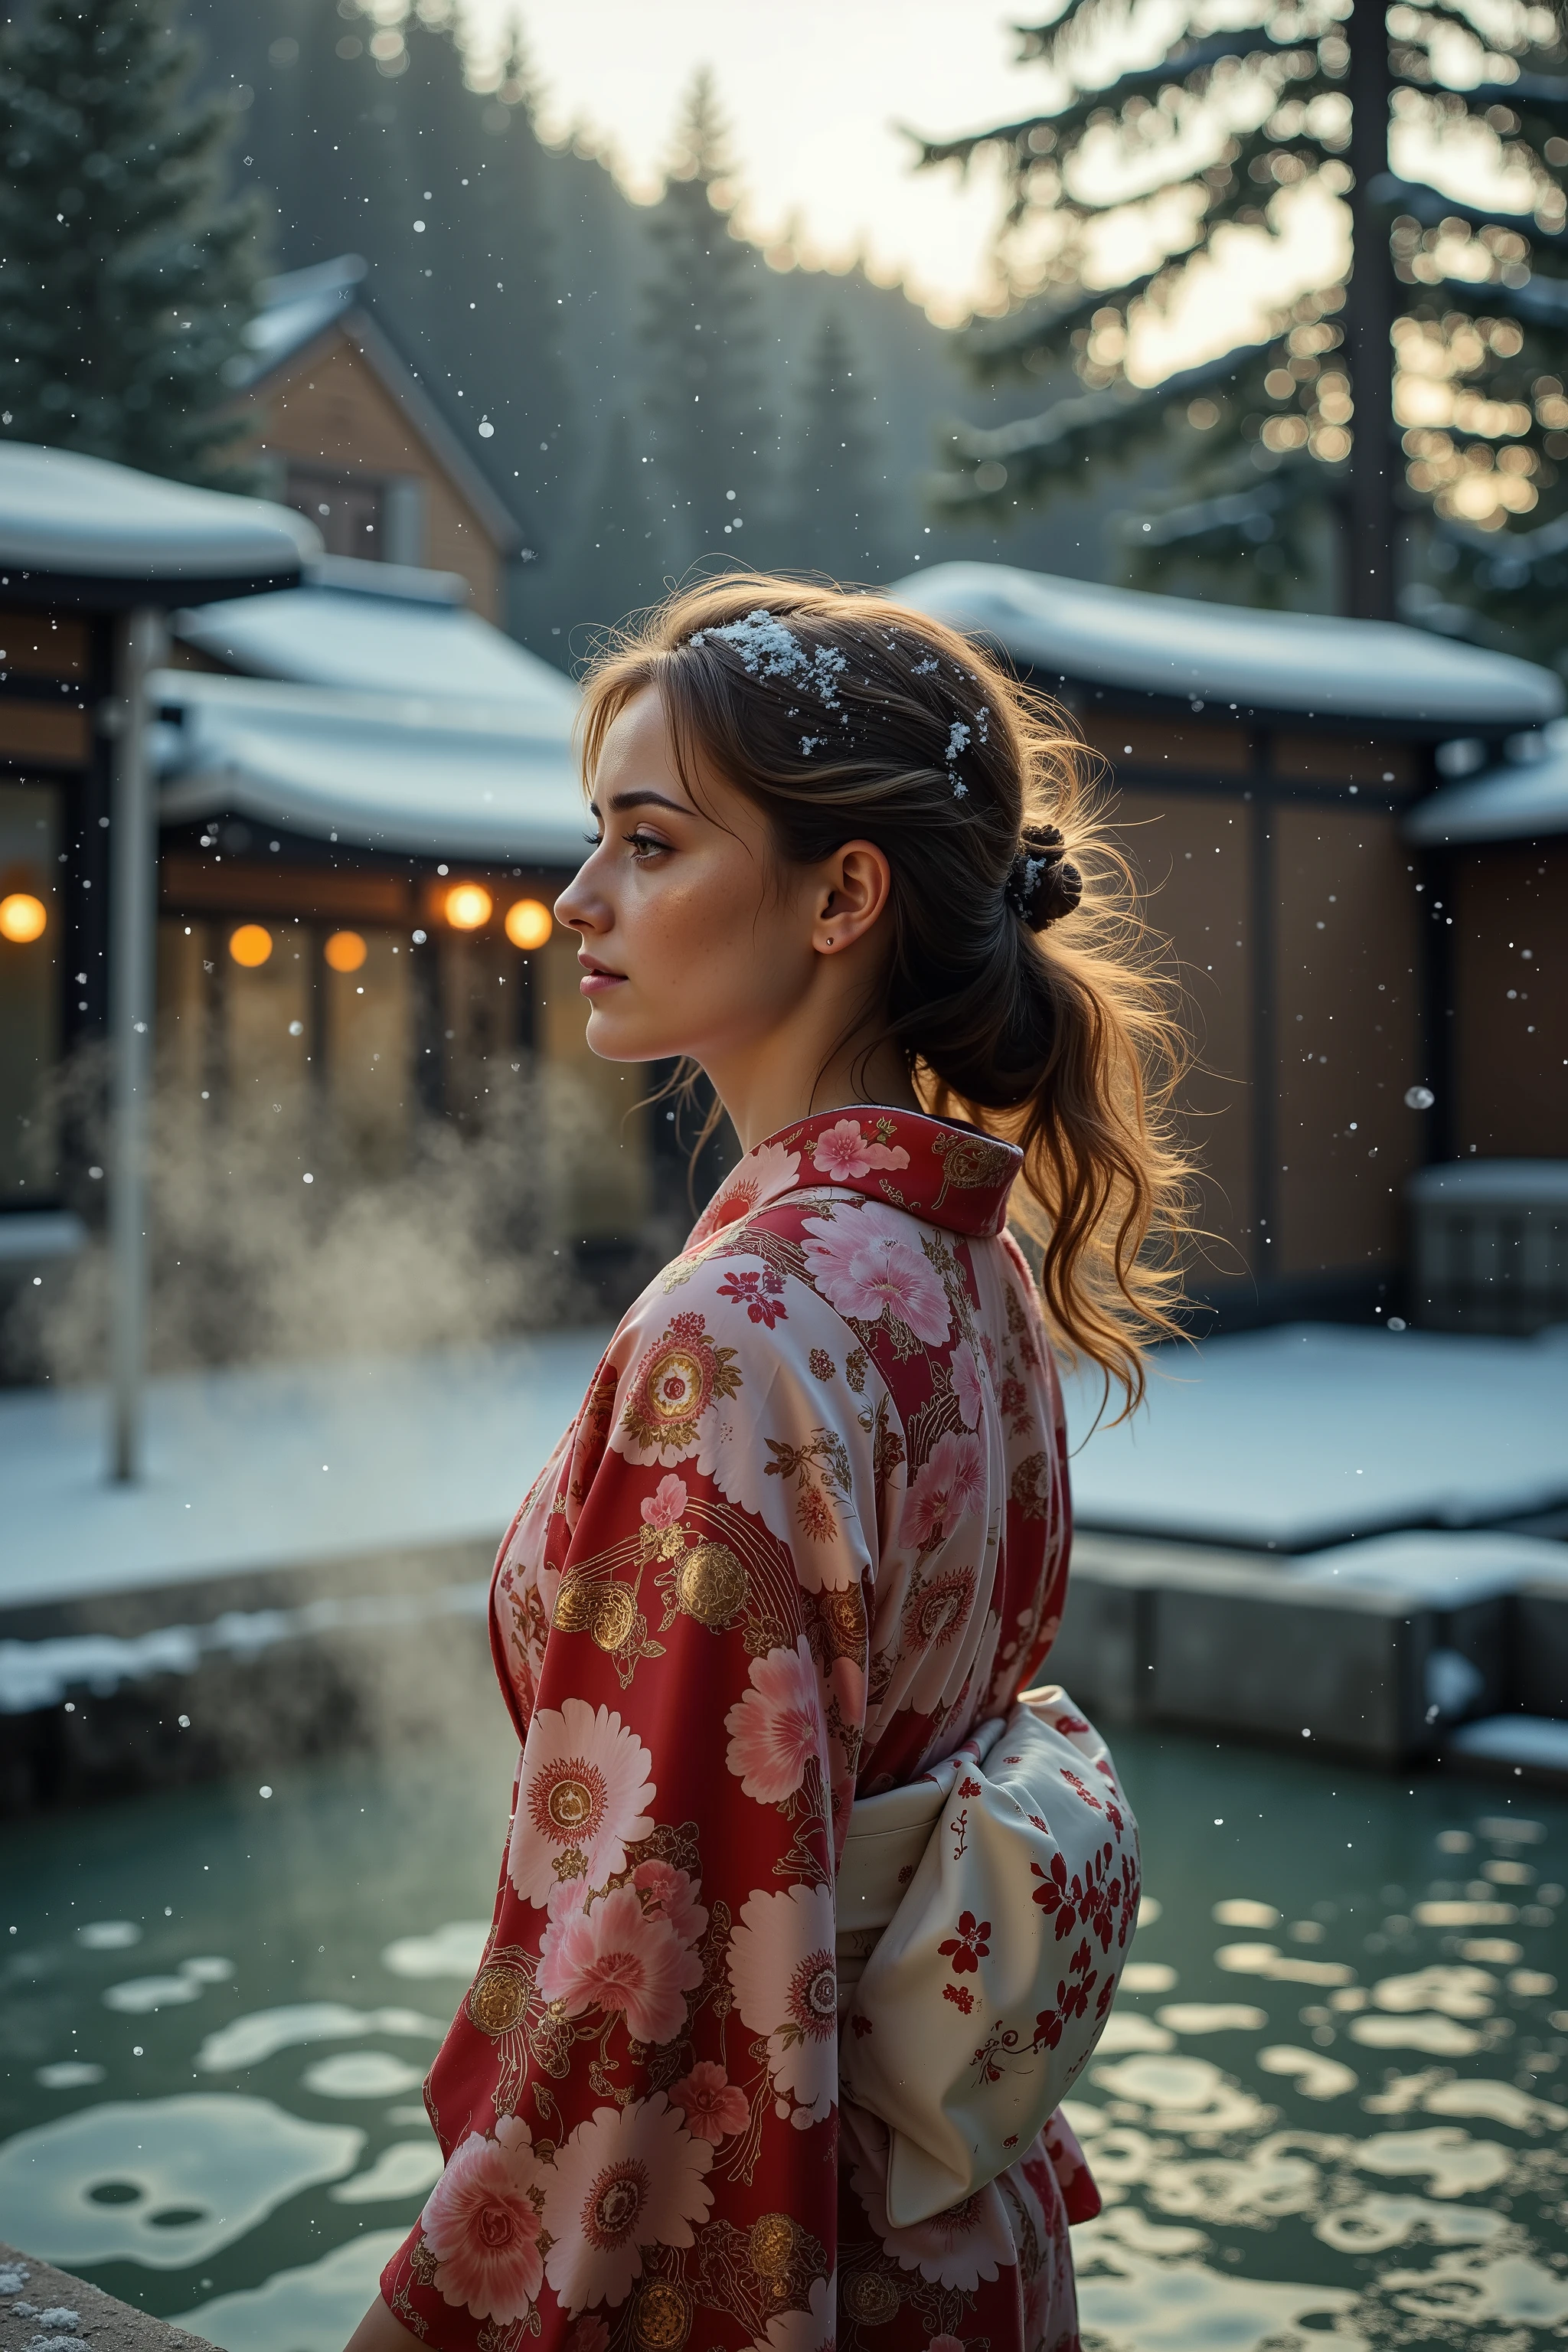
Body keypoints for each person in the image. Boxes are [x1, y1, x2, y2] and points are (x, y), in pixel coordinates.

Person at [345, 576, 1190, 2352]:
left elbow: (649, 1958)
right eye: (595, 840)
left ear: (841, 896)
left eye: (648, 844)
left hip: (797, 2237)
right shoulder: (967, 1264)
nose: (579, 898)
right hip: (955, 2221)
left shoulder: (733, 1334)